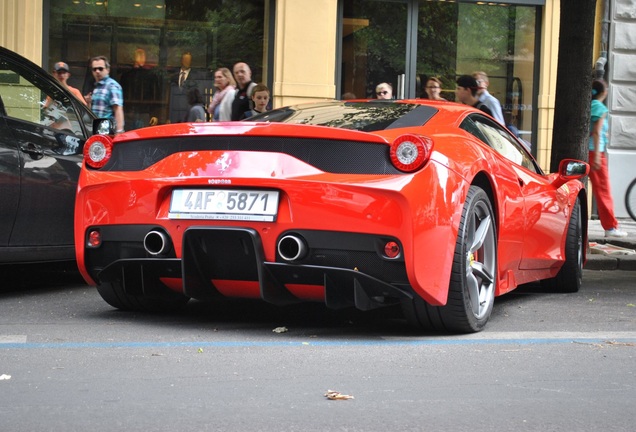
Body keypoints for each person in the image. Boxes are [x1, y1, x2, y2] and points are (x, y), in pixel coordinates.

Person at [588, 79, 627, 238]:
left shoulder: (589, 106)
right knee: (604, 191)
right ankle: (610, 227)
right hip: (595, 152)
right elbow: (596, 132)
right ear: (604, 92)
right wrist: (597, 155)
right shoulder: (600, 108)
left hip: (587, 151)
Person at [85, 55, 125, 133]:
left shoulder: (112, 85)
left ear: (107, 70)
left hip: (106, 131)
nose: (97, 71)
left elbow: (118, 109)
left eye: (100, 68)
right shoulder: (97, 87)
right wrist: (89, 103)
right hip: (96, 130)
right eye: (94, 69)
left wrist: (120, 132)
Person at [168, 52, 201, 123]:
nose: (187, 62)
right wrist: (168, 117)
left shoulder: (196, 77)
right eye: (185, 59)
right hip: (174, 115)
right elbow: (170, 97)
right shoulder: (174, 76)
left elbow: (198, 98)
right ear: (182, 61)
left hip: (188, 114)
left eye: (189, 60)